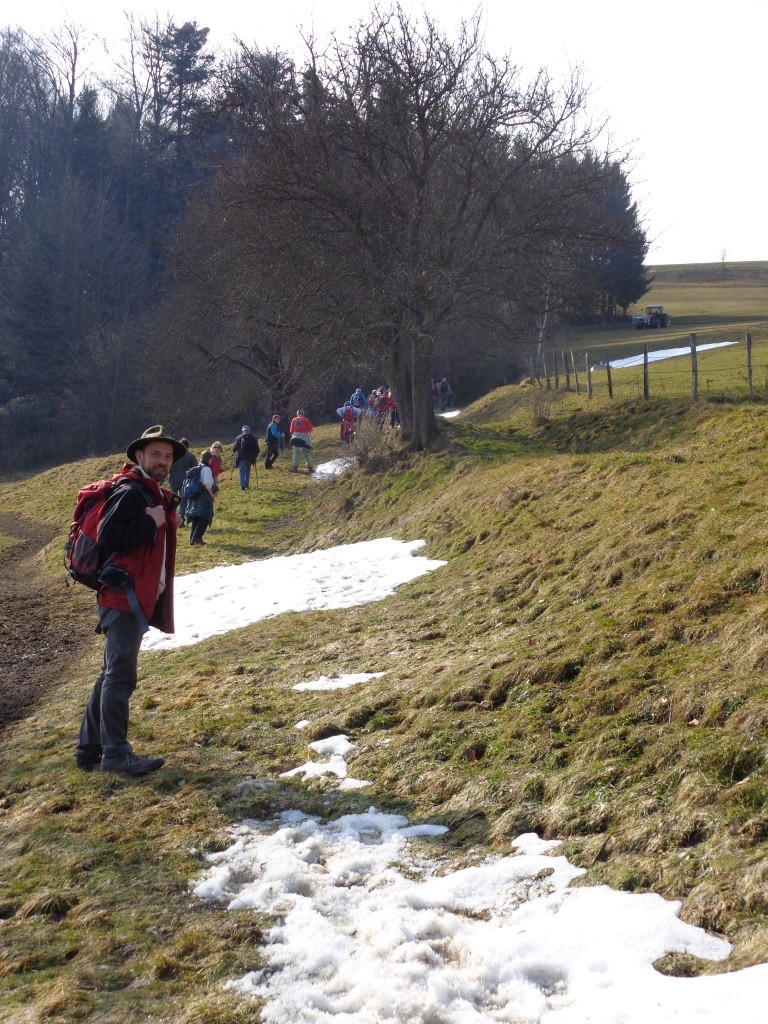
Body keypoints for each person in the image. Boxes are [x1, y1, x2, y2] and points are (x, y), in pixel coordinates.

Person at [75, 425, 185, 776]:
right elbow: (112, 535)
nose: (162, 461)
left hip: (125, 597)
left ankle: (88, 750)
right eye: (155, 454)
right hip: (121, 597)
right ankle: (116, 757)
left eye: (167, 456)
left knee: (110, 673)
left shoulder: (150, 493)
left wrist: (165, 519)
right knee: (120, 676)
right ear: (139, 456)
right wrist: (151, 522)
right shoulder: (133, 491)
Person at [187, 449, 216, 545]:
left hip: (194, 494)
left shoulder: (197, 467)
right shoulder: (206, 468)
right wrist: (212, 494)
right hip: (203, 495)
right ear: (210, 459)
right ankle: (197, 538)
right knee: (205, 516)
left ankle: (192, 539)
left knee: (196, 516)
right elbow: (207, 484)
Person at [168, 438, 197, 525]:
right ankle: (181, 521)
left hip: (173, 481)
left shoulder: (174, 456)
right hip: (185, 482)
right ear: (188, 446)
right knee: (183, 502)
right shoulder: (191, 457)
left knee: (173, 501)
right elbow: (194, 471)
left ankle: (170, 519)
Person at [232, 425, 259, 489]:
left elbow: (234, 449)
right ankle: (247, 484)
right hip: (250, 458)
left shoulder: (239, 438)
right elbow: (257, 449)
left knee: (242, 471)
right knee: (247, 470)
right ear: (249, 430)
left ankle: (242, 485)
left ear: (242, 431)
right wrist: (255, 456)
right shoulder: (254, 438)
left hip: (241, 457)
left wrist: (235, 448)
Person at [289, 409, 314, 473]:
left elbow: (291, 430)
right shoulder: (306, 419)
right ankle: (310, 468)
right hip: (305, 438)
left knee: (296, 454)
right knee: (307, 454)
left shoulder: (294, 420)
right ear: (303, 414)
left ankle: (295, 468)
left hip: (296, 438)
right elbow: (310, 429)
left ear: (297, 414)